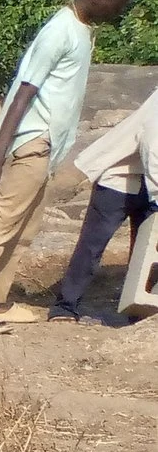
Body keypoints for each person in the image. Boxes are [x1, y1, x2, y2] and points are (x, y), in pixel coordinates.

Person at [0, 0, 139, 332]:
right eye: (119, 4)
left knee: (25, 229)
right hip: (33, 141)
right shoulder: (60, 30)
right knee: (3, 224)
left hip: (50, 146)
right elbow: (24, 91)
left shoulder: (82, 30)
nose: (119, 12)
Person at [52, 77, 158, 321]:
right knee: (92, 245)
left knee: (147, 251)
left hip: (148, 182)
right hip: (119, 179)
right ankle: (65, 306)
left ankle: (139, 308)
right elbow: (153, 149)